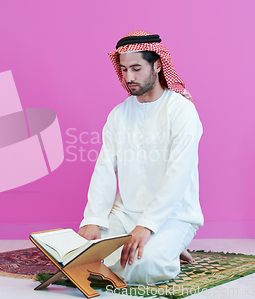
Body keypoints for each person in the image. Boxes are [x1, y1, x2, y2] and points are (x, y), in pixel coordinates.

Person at [78, 30, 204, 285]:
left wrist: (147, 226)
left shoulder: (181, 111)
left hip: (173, 215)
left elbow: (178, 174)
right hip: (124, 213)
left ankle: (168, 243)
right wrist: (93, 219)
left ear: (157, 65)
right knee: (82, 259)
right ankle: (165, 247)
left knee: (142, 268)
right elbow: (104, 168)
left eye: (136, 68)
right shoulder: (119, 114)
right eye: (124, 70)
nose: (128, 78)